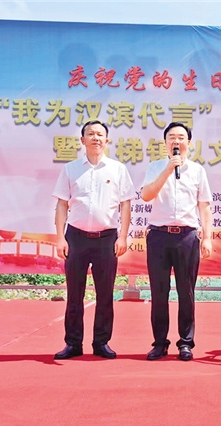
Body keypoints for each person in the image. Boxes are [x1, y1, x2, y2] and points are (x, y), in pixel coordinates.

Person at [52, 120, 134, 360]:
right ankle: (73, 344)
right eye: (91, 134)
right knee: (74, 293)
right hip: (76, 237)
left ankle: (101, 342)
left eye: (100, 134)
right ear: (82, 140)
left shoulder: (118, 169)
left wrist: (123, 236)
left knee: (105, 294)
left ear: (107, 140)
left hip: (106, 238)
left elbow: (125, 204)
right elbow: (61, 204)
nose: (96, 138)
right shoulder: (71, 169)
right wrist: (60, 238)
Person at [141, 122, 212, 361]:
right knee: (159, 291)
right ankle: (160, 343)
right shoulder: (155, 167)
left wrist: (207, 237)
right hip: (159, 236)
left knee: (186, 292)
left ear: (189, 143)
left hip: (187, 236)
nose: (176, 141)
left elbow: (204, 206)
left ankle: (186, 343)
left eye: (181, 137)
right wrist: (168, 170)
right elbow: (146, 195)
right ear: (165, 143)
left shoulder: (198, 171)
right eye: (172, 137)